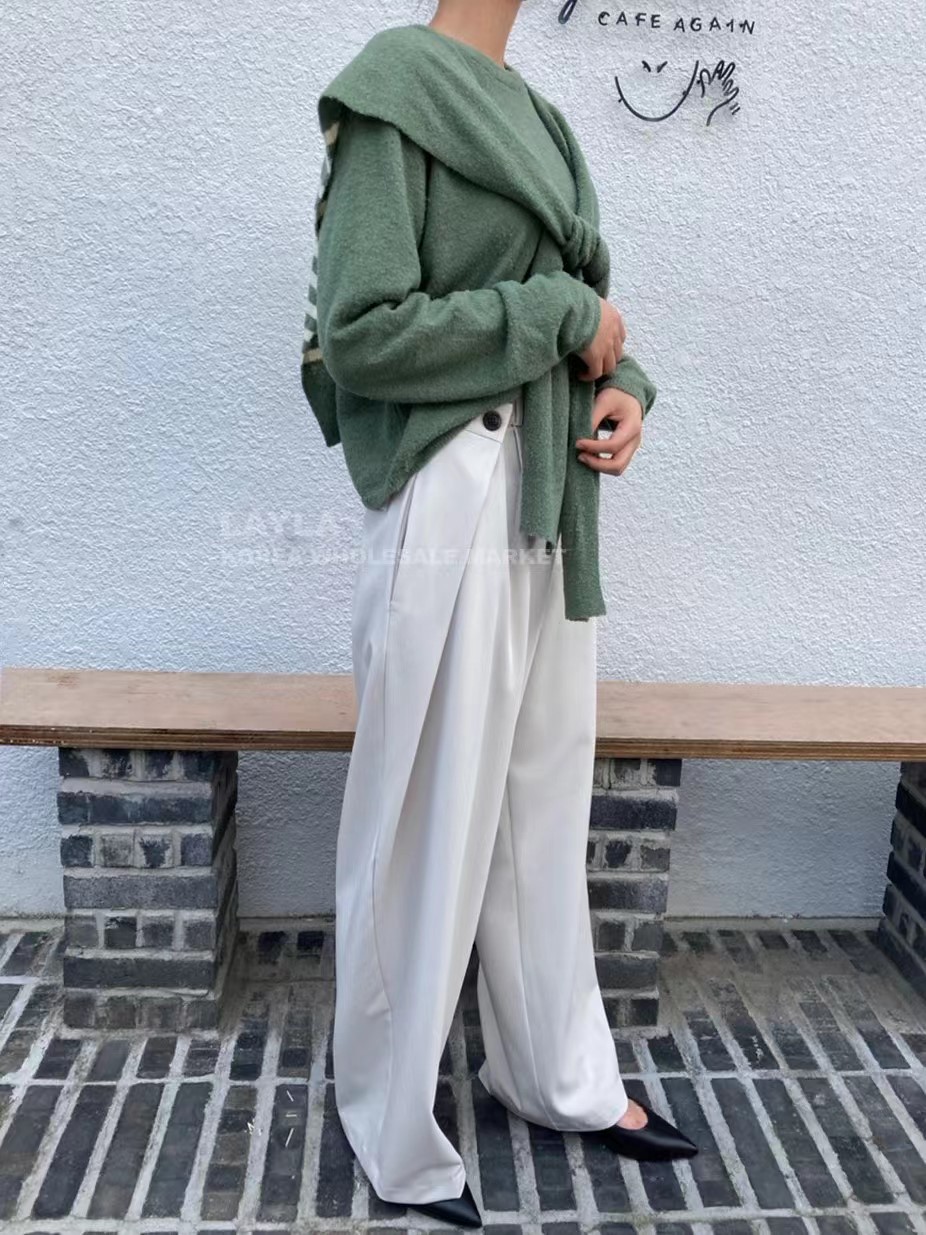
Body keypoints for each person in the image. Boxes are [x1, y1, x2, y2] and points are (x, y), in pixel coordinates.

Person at [301, 2, 698, 1227]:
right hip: (452, 496)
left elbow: (586, 311)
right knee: (425, 811)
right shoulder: (390, 92)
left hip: (548, 496)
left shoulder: (541, 119)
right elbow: (359, 333)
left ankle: (554, 1073)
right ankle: (389, 1112)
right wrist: (557, 320)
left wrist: (626, 386)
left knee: (539, 809)